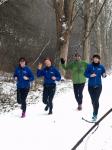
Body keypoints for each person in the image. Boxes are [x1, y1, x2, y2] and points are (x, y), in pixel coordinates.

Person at [84, 54, 106, 121]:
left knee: (96, 100)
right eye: (95, 58)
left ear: (99, 59)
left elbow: (103, 74)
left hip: (98, 86)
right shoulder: (89, 66)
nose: (96, 59)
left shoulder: (101, 67)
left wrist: (104, 75)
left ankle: (95, 114)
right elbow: (85, 74)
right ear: (93, 59)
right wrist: (90, 75)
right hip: (90, 87)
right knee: (93, 101)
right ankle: (95, 109)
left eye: (97, 58)